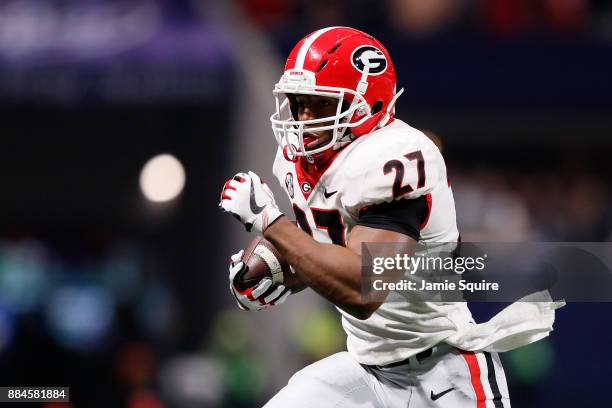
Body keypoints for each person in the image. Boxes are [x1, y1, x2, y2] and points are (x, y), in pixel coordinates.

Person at [220, 26, 561, 408]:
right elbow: (323, 243)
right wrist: (280, 272)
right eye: (299, 103)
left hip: (442, 371)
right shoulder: (302, 162)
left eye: (320, 104)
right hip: (367, 366)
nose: (303, 119)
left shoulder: (395, 157)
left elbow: (364, 286)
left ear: (368, 103)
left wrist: (270, 221)